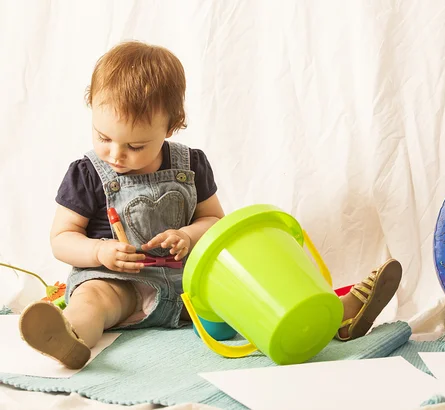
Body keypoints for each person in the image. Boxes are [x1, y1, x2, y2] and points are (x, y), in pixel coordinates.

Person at [18, 41, 403, 369]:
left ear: (171, 127)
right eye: (104, 137)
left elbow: (213, 220)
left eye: (136, 145)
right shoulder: (87, 172)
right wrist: (100, 252)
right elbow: (61, 237)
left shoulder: (191, 165)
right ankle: (70, 336)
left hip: (193, 291)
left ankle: (339, 314)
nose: (116, 154)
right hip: (122, 287)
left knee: (257, 294)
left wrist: (189, 234)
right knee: (94, 300)